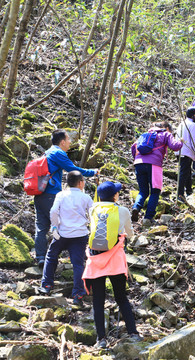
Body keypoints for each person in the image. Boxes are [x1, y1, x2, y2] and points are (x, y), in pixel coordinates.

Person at [82, 181, 141, 349]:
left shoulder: (93, 209)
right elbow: (129, 232)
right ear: (115, 195)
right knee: (121, 297)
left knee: (98, 302)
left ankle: (101, 339)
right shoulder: (122, 211)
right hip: (115, 259)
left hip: (95, 261)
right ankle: (133, 333)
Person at [34, 129, 98, 267]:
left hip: (39, 194)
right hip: (51, 195)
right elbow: (73, 170)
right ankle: (60, 256)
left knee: (41, 227)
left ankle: (40, 257)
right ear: (62, 142)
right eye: (68, 139)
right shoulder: (58, 153)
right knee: (59, 224)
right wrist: (92, 172)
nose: (70, 142)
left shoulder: (47, 152)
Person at [37, 171, 93, 306]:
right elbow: (93, 215)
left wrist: (55, 227)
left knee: (51, 257)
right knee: (78, 264)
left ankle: (46, 286)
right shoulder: (86, 197)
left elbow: (53, 211)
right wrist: (91, 230)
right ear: (80, 183)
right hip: (80, 234)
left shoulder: (60, 195)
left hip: (62, 233)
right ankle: (78, 294)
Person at [131, 121, 182, 226]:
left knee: (143, 191)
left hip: (139, 163)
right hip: (154, 165)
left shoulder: (144, 135)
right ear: (165, 128)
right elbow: (175, 146)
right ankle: (148, 218)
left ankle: (136, 207)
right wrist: (181, 141)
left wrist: (139, 160)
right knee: (155, 192)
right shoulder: (165, 134)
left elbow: (133, 148)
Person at [176, 107, 195, 201]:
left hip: (179, 151)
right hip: (186, 152)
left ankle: (189, 191)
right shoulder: (192, 125)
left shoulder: (181, 124)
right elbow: (194, 142)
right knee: (183, 173)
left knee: (187, 172)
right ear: (194, 115)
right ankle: (180, 195)